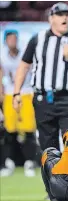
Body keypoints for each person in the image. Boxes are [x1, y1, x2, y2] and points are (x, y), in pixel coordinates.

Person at [13, 2, 68, 152]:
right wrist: (17, 92)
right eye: (60, 15)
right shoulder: (38, 39)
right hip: (43, 99)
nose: (65, 17)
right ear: (51, 18)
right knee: (48, 148)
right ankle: (52, 176)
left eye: (67, 14)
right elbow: (24, 65)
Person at [0, 29, 38, 177]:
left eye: (14, 38)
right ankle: (9, 162)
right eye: (9, 39)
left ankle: (29, 162)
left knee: (28, 129)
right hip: (10, 93)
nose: (12, 41)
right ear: (5, 41)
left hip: (26, 93)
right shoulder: (2, 55)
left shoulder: (26, 53)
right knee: (10, 130)